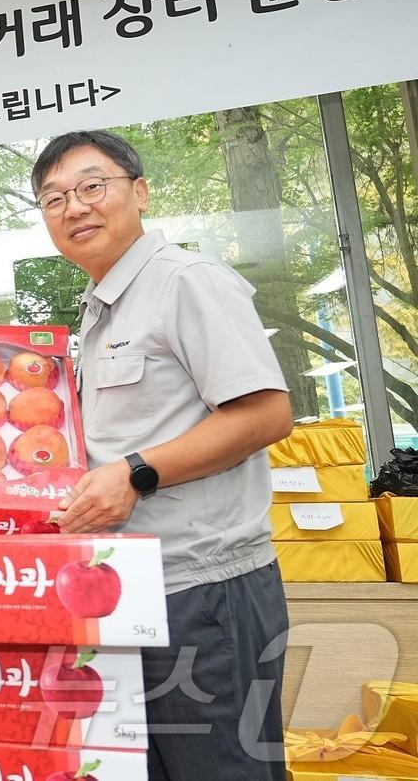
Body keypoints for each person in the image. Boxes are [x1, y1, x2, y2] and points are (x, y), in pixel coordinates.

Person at [34, 130, 295, 780]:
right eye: (54, 198)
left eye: (93, 186)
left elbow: (266, 414)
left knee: (223, 768)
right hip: (125, 588)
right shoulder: (96, 315)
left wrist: (136, 472)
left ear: (140, 192)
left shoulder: (186, 281)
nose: (75, 208)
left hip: (204, 589)